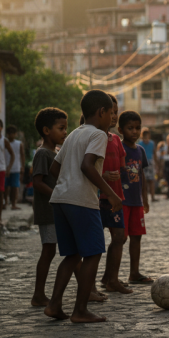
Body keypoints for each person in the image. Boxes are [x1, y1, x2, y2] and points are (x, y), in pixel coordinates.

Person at [44, 90, 122, 323]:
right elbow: (88, 166)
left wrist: (68, 184)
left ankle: (54, 305)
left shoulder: (73, 134)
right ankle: (80, 310)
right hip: (82, 202)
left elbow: (54, 170)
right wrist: (111, 194)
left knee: (72, 255)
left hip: (61, 199)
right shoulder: (99, 135)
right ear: (102, 112)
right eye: (110, 113)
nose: (112, 117)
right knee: (93, 252)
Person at [30, 107, 68, 307]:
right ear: (46, 130)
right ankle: (38, 294)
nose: (65, 132)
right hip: (48, 211)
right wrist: (57, 195)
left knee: (63, 251)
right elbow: (37, 182)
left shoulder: (55, 152)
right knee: (48, 251)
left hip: (57, 210)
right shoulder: (43, 154)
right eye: (61, 128)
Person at [97, 94, 132, 295]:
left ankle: (112, 279)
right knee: (94, 243)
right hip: (97, 198)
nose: (114, 116)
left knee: (119, 236)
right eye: (111, 112)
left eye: (116, 112)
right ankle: (90, 284)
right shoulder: (91, 139)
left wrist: (127, 174)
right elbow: (84, 168)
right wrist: (103, 175)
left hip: (115, 198)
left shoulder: (116, 140)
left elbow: (122, 168)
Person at [118, 111, 152, 284]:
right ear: (121, 129)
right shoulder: (119, 149)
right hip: (122, 201)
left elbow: (142, 175)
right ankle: (111, 276)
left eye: (137, 128)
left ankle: (134, 273)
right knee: (120, 238)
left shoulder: (140, 150)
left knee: (136, 237)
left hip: (136, 201)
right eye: (130, 128)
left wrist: (144, 199)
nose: (134, 131)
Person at [5, 125, 25, 210]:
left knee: (15, 187)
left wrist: (22, 166)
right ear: (7, 134)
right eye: (9, 133)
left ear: (15, 134)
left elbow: (22, 155)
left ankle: (13, 204)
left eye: (12, 133)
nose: (11, 135)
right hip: (5, 167)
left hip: (16, 167)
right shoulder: (4, 142)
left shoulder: (19, 144)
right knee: (5, 187)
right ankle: (5, 202)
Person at [138, 127, 157, 203]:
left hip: (150, 163)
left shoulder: (152, 143)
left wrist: (157, 164)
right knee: (143, 181)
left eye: (147, 136)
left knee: (151, 180)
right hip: (142, 163)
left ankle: (152, 197)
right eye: (144, 136)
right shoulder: (139, 144)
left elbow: (154, 154)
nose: (146, 138)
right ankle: (144, 198)